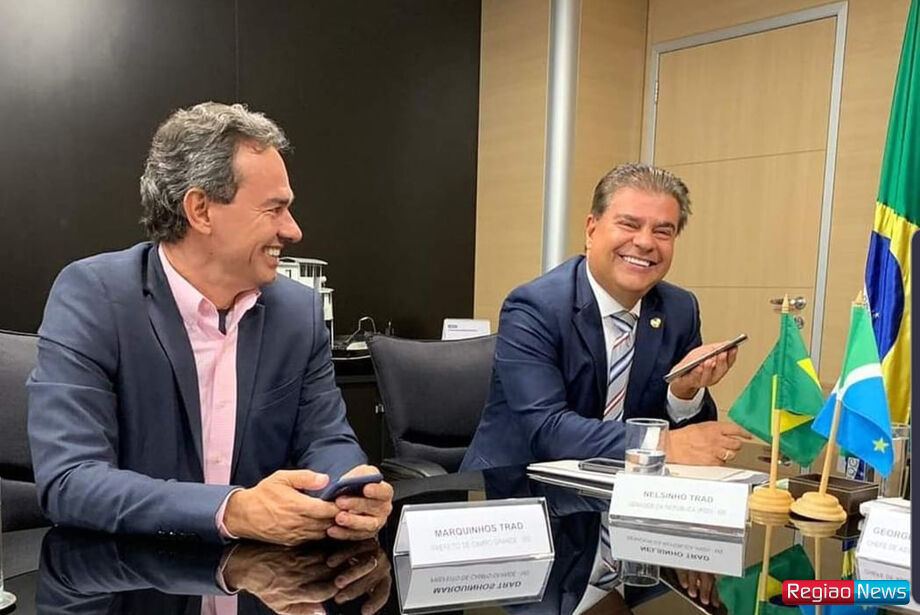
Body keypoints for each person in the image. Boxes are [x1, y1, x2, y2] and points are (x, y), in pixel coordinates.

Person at [27, 102, 392, 545]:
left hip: (264, 576)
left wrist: (350, 489)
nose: (293, 230)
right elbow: (70, 481)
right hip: (129, 573)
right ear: (200, 210)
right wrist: (230, 510)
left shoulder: (298, 313)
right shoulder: (95, 299)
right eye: (274, 209)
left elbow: (326, 440)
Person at [461, 163, 750, 471]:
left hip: (625, 489)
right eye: (629, 224)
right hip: (518, 487)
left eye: (662, 231)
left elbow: (695, 443)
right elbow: (547, 430)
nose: (645, 242)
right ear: (591, 229)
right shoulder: (535, 307)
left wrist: (683, 393)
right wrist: (661, 443)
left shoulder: (679, 309)